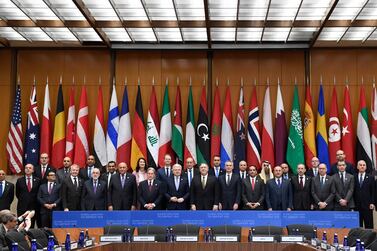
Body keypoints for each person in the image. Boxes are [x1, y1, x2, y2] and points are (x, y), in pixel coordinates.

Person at [354, 160, 375, 228]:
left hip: (368, 206)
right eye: (360, 165)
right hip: (356, 206)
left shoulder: (371, 177)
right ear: (357, 167)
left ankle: (369, 239)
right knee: (357, 227)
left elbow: (373, 191)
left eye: (364, 165)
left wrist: (372, 203)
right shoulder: (353, 177)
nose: (362, 166)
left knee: (369, 226)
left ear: (366, 167)